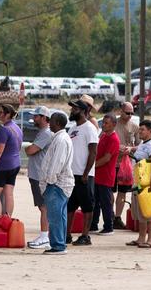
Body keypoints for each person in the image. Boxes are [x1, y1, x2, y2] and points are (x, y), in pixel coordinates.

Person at [39, 111, 74, 255]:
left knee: (55, 217)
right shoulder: (60, 138)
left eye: (51, 121)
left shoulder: (61, 140)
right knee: (60, 216)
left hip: (57, 185)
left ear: (58, 123)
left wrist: (49, 182)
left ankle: (58, 245)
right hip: (59, 184)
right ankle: (59, 243)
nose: (49, 123)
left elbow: (56, 164)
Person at [67, 99, 99, 245]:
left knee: (87, 206)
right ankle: (66, 234)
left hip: (84, 174)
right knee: (70, 205)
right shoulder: (72, 128)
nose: (72, 111)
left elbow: (93, 152)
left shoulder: (90, 128)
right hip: (71, 173)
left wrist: (86, 173)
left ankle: (85, 235)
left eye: (75, 108)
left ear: (83, 111)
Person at [24, 106, 56, 249]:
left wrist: (28, 148)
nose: (34, 119)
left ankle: (44, 236)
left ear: (44, 118)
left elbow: (31, 150)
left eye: (36, 116)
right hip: (36, 174)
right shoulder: (42, 133)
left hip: (40, 175)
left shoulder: (46, 134)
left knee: (44, 207)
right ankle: (45, 235)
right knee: (42, 206)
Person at [128, 120, 151, 249]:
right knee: (140, 213)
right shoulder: (144, 143)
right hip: (139, 182)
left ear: (150, 131)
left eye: (142, 129)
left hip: (147, 183)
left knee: (149, 212)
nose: (140, 131)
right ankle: (141, 238)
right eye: (140, 129)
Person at [0, 103, 22, 225]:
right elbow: (19, 146)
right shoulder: (17, 128)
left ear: (7, 115)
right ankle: (7, 220)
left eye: (1, 112)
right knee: (8, 193)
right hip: (15, 164)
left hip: (3, 166)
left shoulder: (4, 129)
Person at [93, 113, 121, 235]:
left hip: (106, 175)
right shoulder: (104, 136)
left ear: (114, 125)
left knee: (106, 202)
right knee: (96, 201)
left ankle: (108, 226)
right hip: (98, 175)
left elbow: (107, 158)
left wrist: (92, 166)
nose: (103, 125)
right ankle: (93, 224)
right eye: (103, 123)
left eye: (106, 123)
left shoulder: (114, 139)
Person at [113, 101, 139, 225]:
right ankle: (110, 215)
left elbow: (140, 145)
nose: (130, 115)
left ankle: (117, 217)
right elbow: (102, 139)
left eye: (132, 113)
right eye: (127, 113)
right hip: (112, 163)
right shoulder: (112, 124)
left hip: (127, 165)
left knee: (122, 192)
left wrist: (131, 149)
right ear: (121, 111)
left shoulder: (134, 127)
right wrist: (116, 147)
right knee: (109, 191)